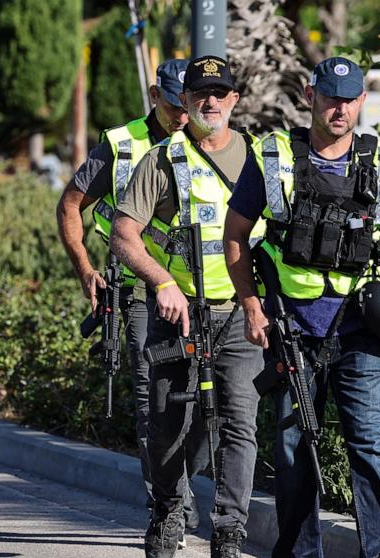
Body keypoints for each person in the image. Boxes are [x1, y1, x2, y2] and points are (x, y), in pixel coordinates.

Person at [223, 56, 380, 558]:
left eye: (350, 98)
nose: (340, 108)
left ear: (361, 100)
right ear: (311, 96)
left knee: (374, 449)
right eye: (331, 97)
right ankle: (296, 552)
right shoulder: (273, 156)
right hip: (293, 330)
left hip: (363, 328)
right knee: (293, 454)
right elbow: (235, 237)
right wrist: (250, 305)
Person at [110, 55, 266, 558]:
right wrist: (160, 283)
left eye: (220, 93)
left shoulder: (260, 158)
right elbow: (123, 235)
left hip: (241, 316)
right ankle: (168, 508)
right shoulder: (162, 160)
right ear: (185, 99)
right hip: (178, 317)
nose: (210, 101)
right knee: (167, 427)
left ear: (235, 100)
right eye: (201, 93)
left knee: (239, 425)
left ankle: (228, 532)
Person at [55, 59, 206, 540]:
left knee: (210, 405)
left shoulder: (211, 143)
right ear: (154, 94)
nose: (183, 112)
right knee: (152, 398)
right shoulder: (121, 146)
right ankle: (171, 506)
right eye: (173, 101)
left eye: (189, 102)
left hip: (203, 293)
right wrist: (84, 268)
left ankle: (180, 486)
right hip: (139, 290)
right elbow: (70, 205)